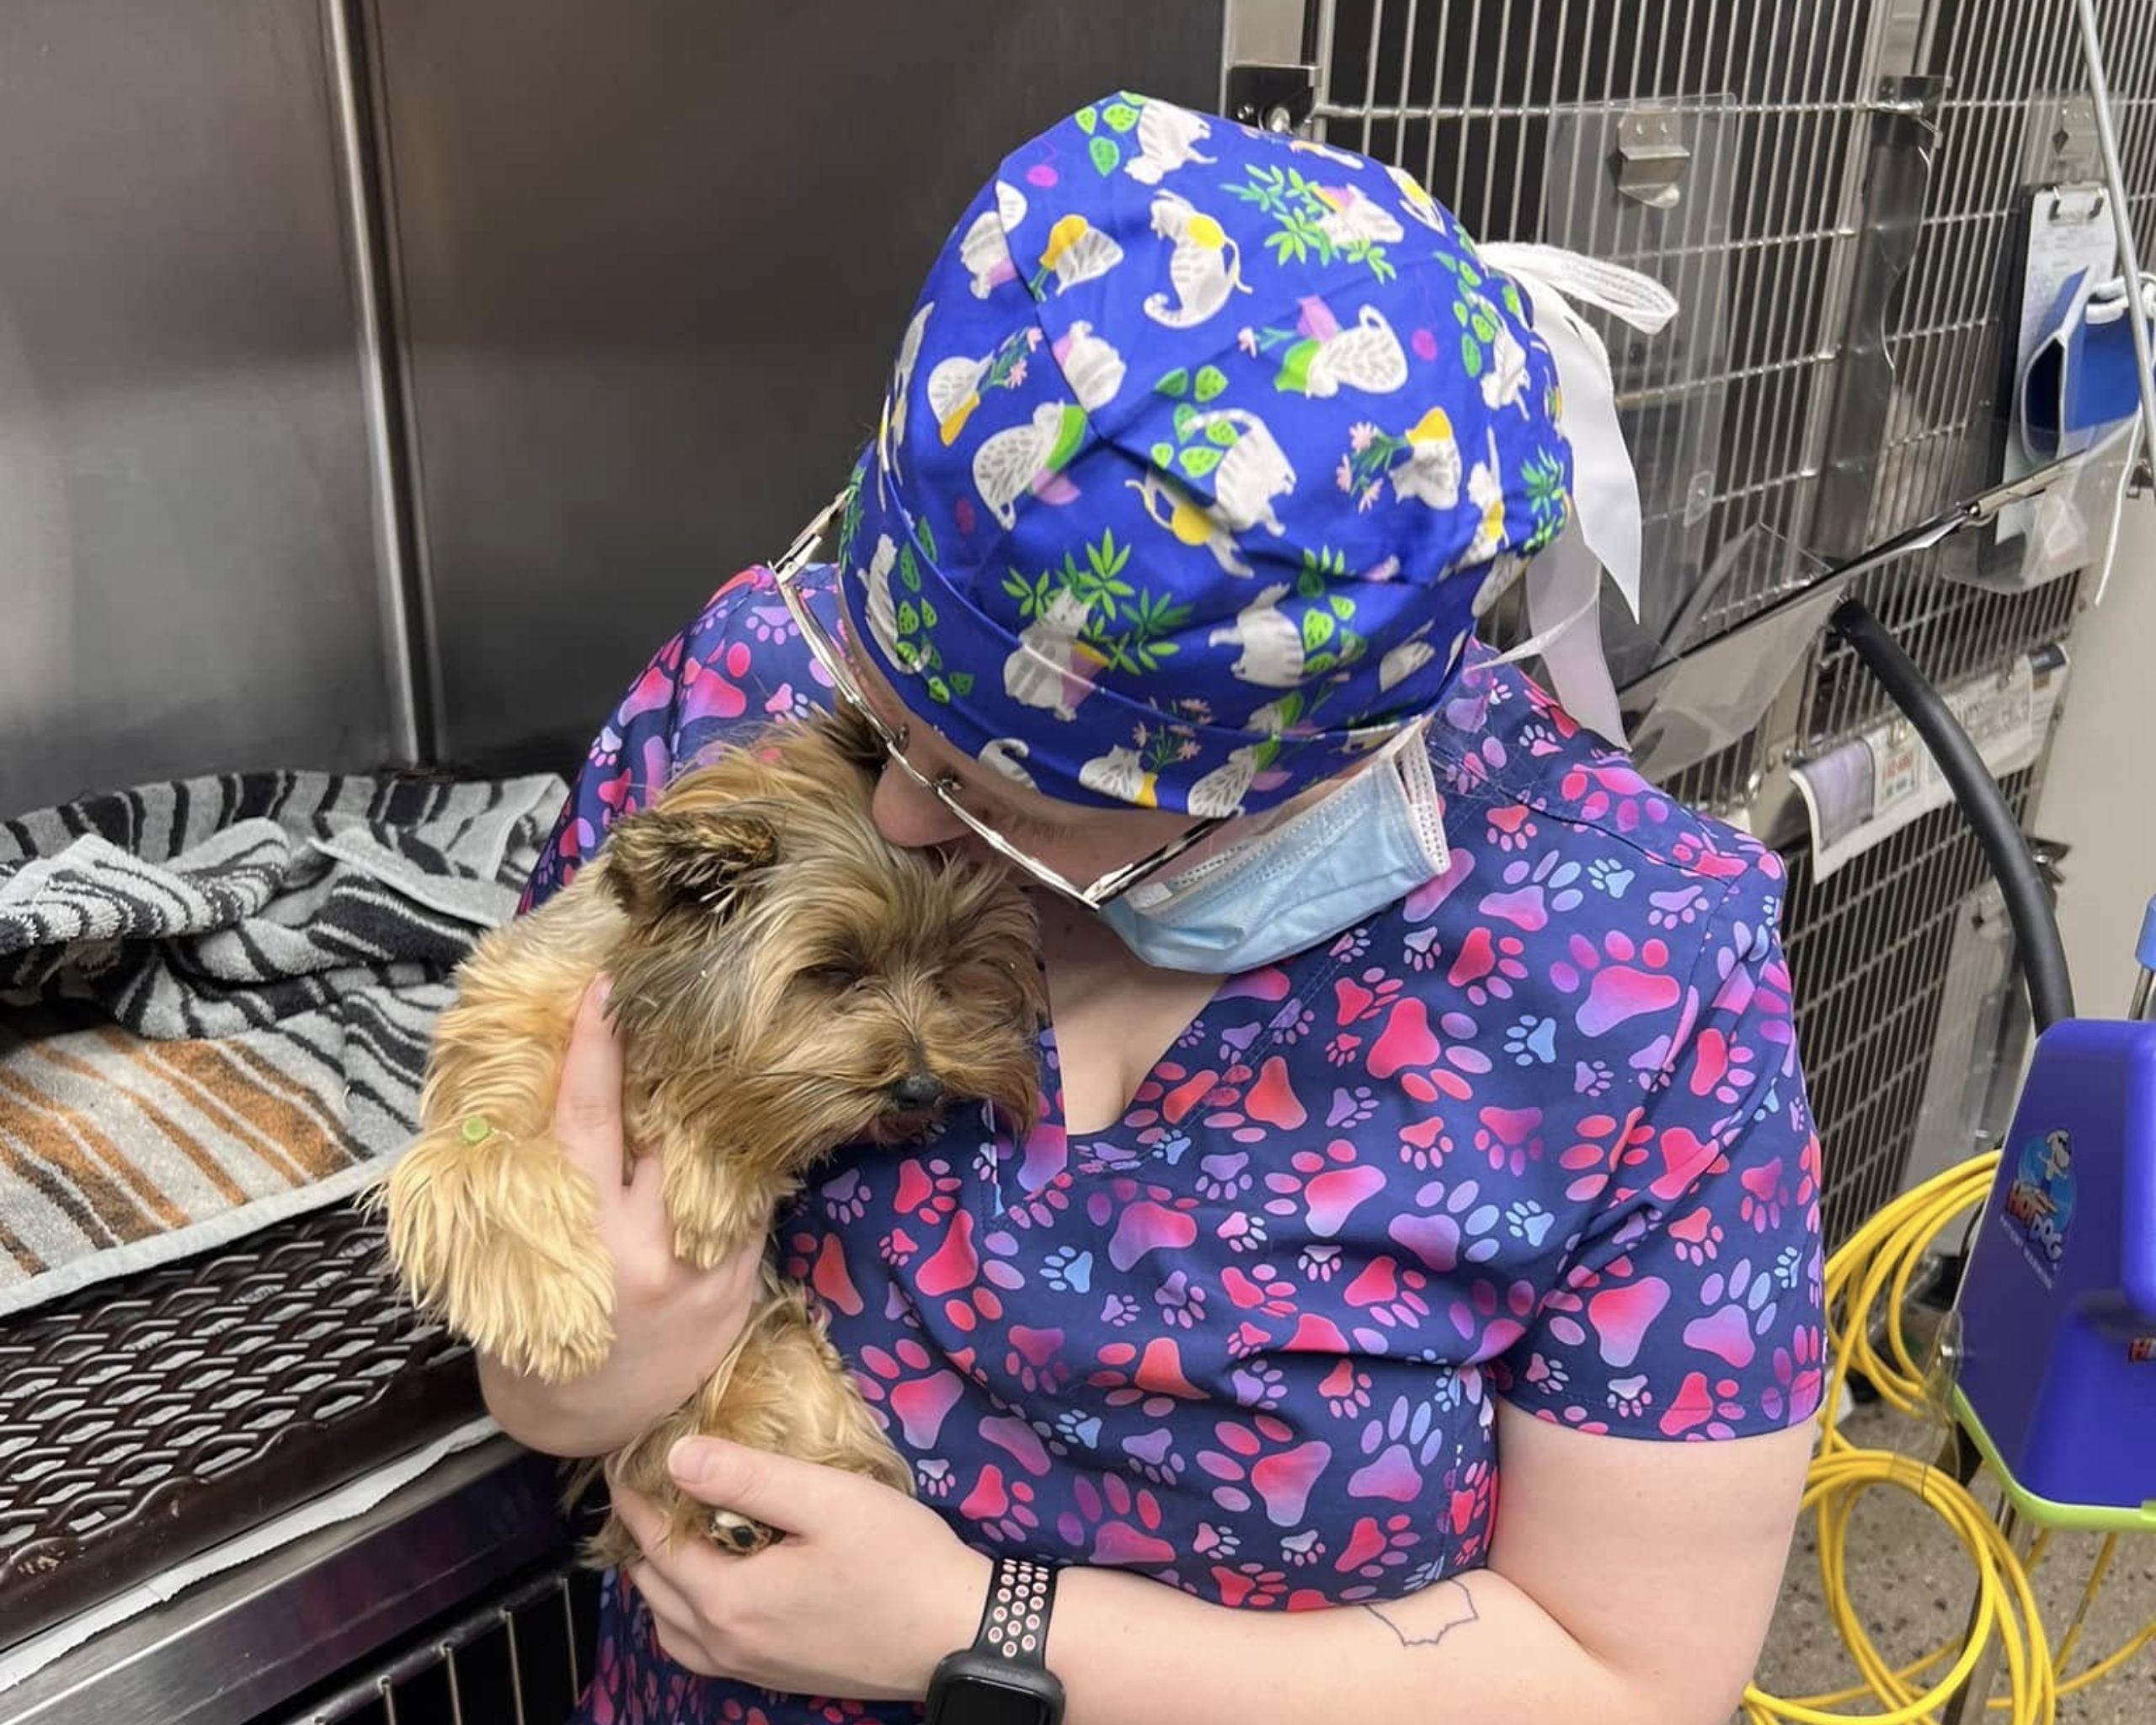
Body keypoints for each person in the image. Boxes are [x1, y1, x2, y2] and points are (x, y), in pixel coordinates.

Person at [490, 95, 1825, 1725]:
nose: (901, 813)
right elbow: (521, 1214)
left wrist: (978, 1628)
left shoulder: (1627, 973)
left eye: (1004, 794)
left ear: (1292, 772)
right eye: (889, 711)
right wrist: (592, 1373)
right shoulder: (746, 689)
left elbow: (1633, 1678)